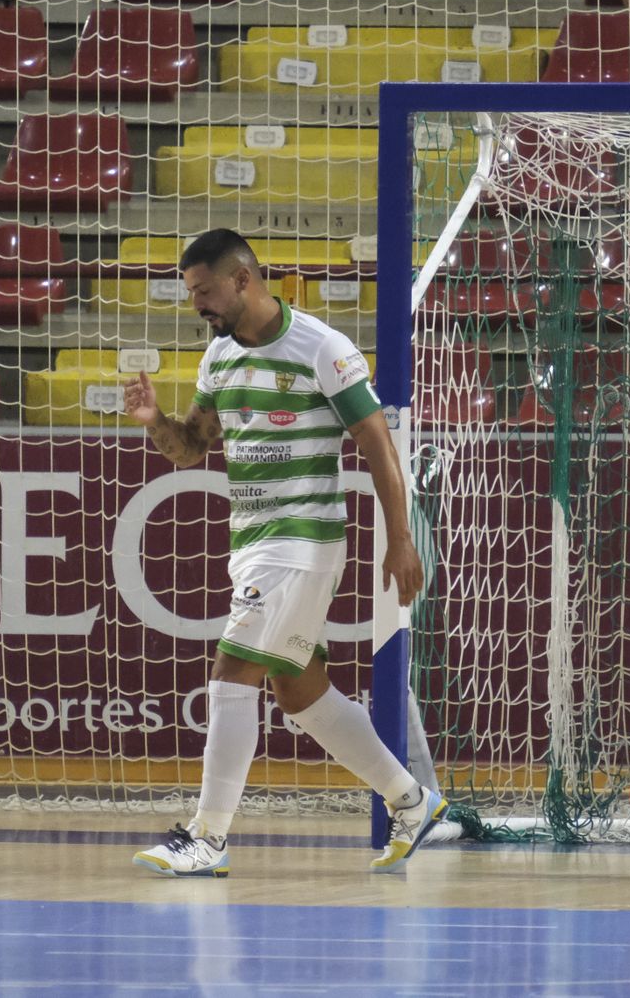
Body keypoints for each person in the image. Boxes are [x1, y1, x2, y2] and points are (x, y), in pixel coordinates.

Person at [126, 228, 445, 877]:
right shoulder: (218, 358)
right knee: (299, 691)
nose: (199, 305)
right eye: (192, 295)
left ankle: (207, 836)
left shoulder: (322, 348)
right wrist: (156, 421)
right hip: (253, 545)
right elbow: (193, 446)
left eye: (206, 291)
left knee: (231, 673)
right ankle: (410, 800)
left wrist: (401, 537)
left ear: (243, 279)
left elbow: (377, 441)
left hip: (302, 544)